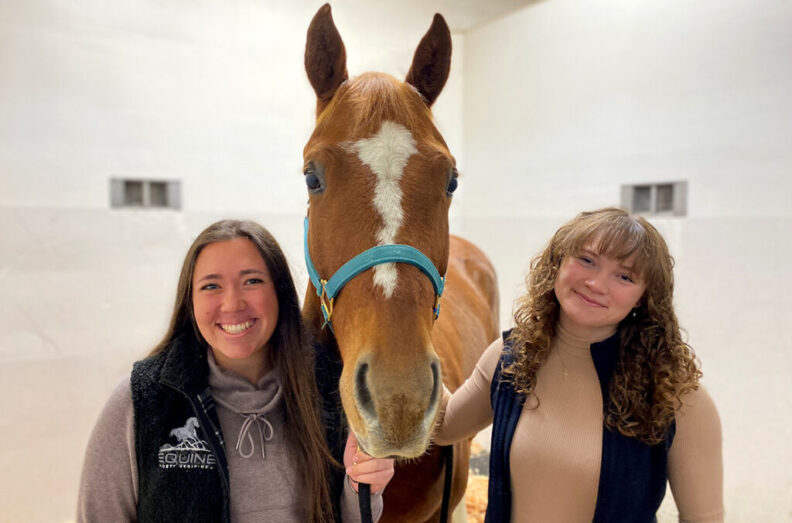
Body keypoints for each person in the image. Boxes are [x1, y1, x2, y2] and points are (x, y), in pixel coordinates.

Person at [77, 219, 394, 522]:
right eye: (211, 286)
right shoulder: (141, 402)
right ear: (190, 301)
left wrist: (363, 486)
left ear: (280, 292)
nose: (232, 304)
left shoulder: (329, 388)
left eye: (252, 281)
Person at [435, 207, 723, 522]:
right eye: (587, 260)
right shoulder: (508, 357)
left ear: (643, 297)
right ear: (558, 261)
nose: (596, 284)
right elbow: (443, 427)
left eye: (624, 276)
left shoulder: (676, 395)